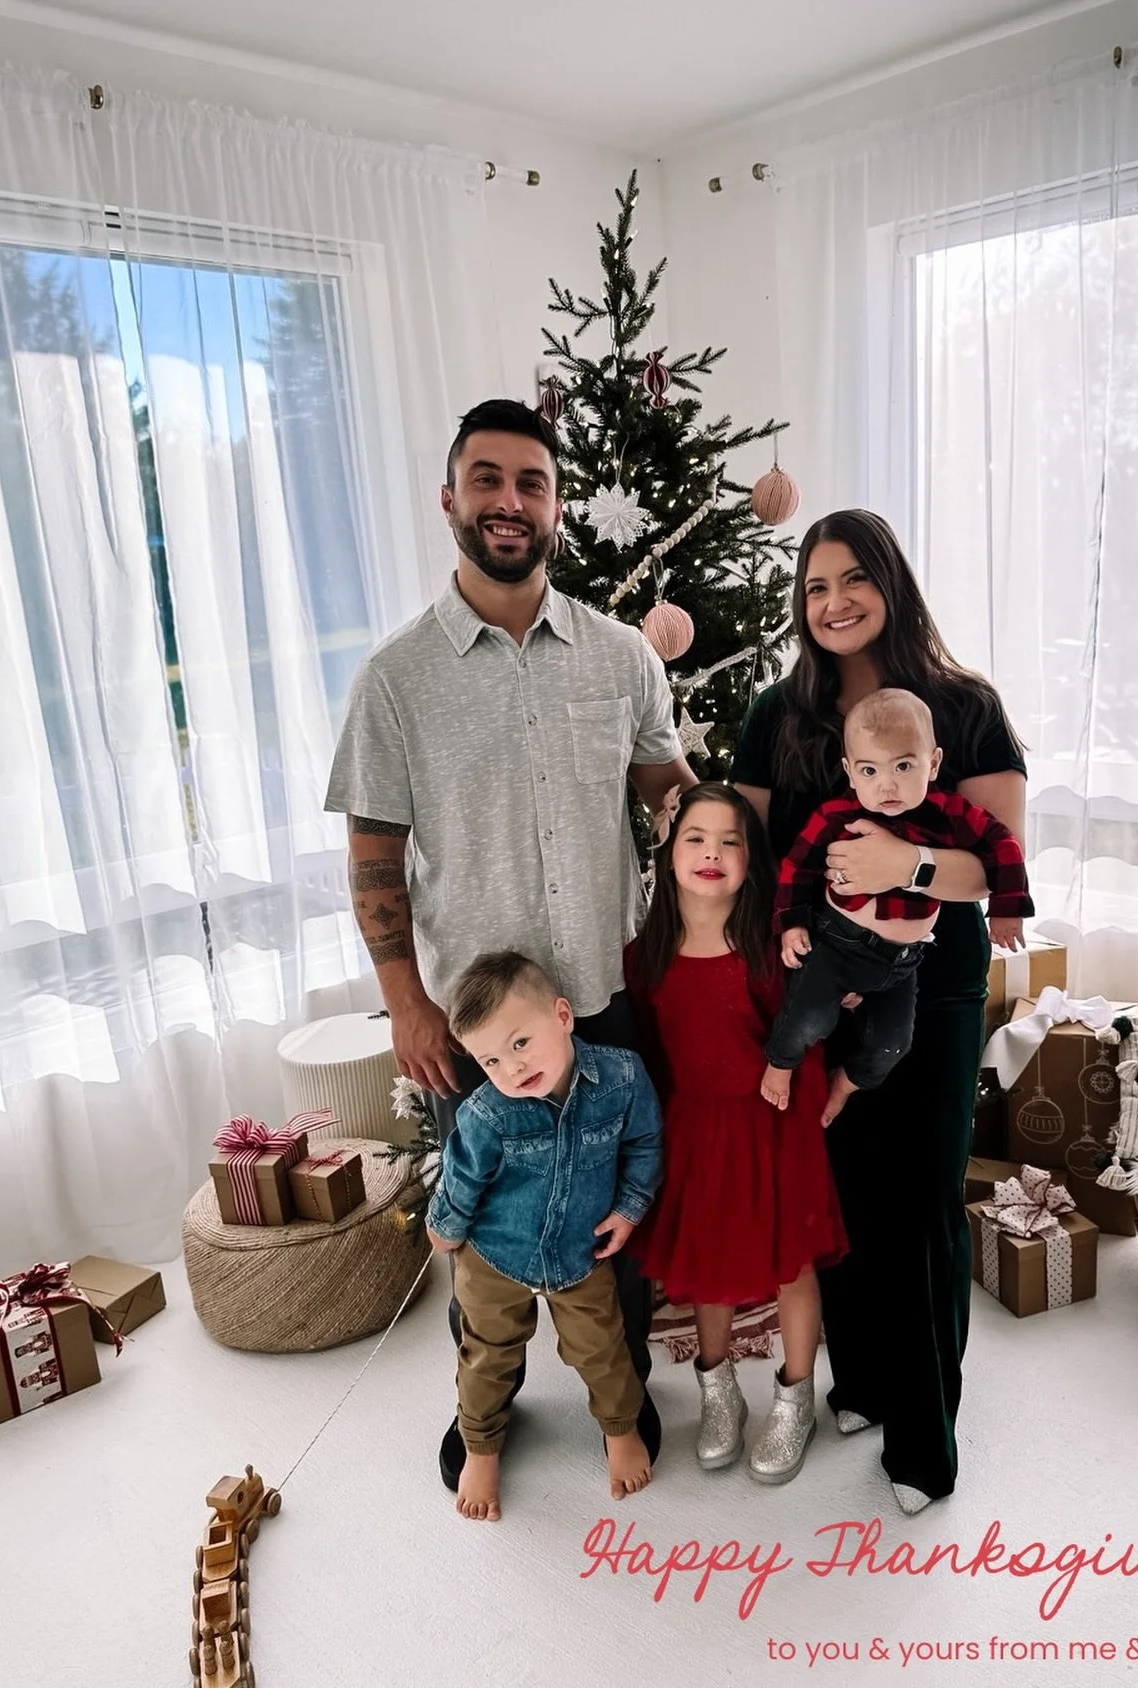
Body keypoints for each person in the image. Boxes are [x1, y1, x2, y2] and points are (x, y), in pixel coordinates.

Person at [325, 398, 697, 1490]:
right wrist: (406, 1002)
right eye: (486, 479)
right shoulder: (396, 679)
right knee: (482, 1223)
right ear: (449, 499)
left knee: (614, 1225)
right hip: (476, 1027)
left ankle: (620, 1391)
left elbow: (667, 792)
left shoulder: (622, 657)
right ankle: (484, 1407)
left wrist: (704, 822)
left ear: (557, 506)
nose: (508, 500)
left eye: (531, 482)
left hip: (604, 997)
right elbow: (375, 858)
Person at [731, 509, 1029, 1516]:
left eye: (854, 578)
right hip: (825, 985)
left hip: (932, 986)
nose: (835, 602)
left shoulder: (965, 706)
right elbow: (757, 861)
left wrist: (905, 865)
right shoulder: (778, 714)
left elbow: (996, 862)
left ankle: (926, 1435)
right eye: (815, 586)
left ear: (891, 584)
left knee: (923, 1199)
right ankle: (859, 1380)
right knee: (846, 1192)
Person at [623, 783, 848, 1486]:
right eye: (696, 838)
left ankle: (795, 1398)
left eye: (730, 841)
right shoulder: (643, 956)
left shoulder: (771, 951)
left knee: (792, 1263)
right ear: (669, 849)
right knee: (707, 1264)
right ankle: (718, 1391)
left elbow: (806, 1040)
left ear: (752, 860)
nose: (712, 853)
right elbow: (648, 1056)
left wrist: (803, 1122)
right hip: (694, 1133)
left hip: (774, 1128)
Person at [425, 951, 663, 1522]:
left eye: (521, 1043)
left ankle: (620, 1428)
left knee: (602, 1346)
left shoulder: (622, 1078)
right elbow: (461, 1178)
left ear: (561, 1016)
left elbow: (645, 1144)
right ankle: (481, 1446)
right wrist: (445, 1228)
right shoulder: (486, 1113)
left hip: (581, 1252)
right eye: (491, 1060)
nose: (511, 1069)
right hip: (495, 1254)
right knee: (486, 1353)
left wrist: (629, 1209)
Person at [763, 687, 1032, 1126]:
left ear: (933, 763)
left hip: (902, 961)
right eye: (869, 770)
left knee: (893, 1044)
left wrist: (1007, 907)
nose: (886, 785)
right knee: (808, 1020)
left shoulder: (949, 814)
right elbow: (797, 866)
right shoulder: (836, 815)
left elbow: (1002, 845)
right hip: (838, 945)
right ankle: (780, 1062)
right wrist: (791, 923)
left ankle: (846, 1082)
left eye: (903, 766)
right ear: (850, 772)